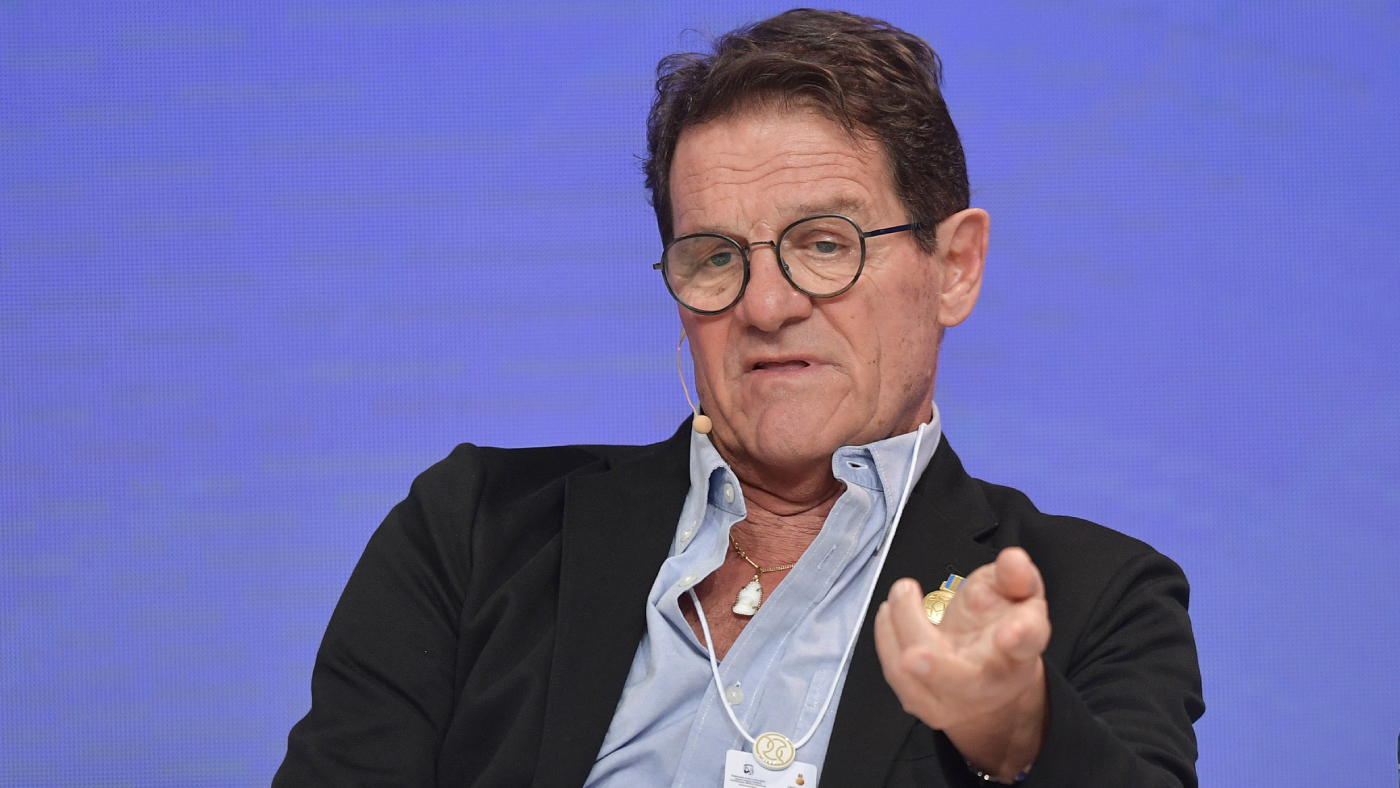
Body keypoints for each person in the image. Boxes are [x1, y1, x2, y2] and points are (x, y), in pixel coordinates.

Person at [274, 9, 1203, 787]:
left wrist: (1018, 731)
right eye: (716, 257)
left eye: (826, 243)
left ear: (954, 267)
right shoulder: (478, 535)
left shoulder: (1093, 600)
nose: (764, 306)